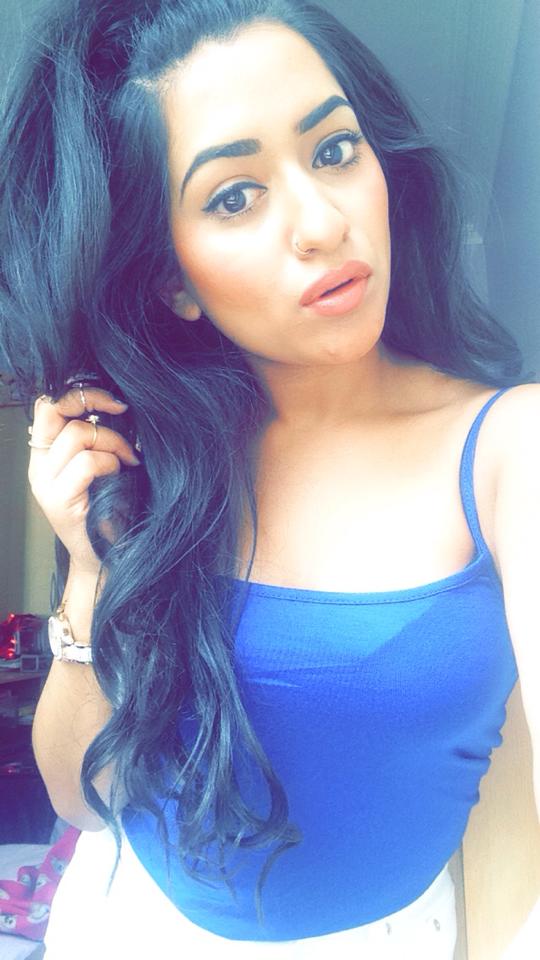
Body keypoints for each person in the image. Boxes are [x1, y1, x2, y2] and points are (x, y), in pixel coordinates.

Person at [0, 0, 538, 956]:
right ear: (171, 279)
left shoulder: (506, 447)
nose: (324, 223)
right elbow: (81, 799)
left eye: (334, 151)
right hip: (123, 922)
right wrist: (91, 569)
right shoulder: (155, 463)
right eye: (233, 197)